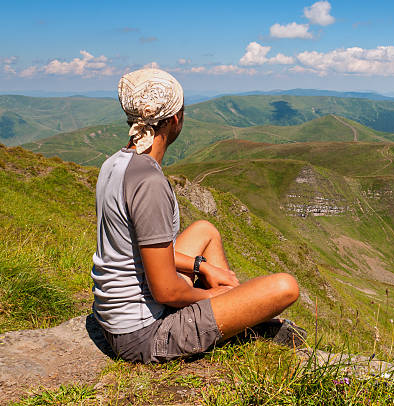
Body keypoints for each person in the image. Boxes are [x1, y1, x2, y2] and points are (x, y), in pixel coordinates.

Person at [91, 68, 302, 363]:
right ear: (175, 119)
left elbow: (134, 250)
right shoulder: (149, 182)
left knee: (204, 229)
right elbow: (165, 291)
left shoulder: (114, 163)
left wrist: (201, 266)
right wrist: (219, 297)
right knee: (285, 287)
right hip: (143, 334)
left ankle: (235, 318)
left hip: (115, 316)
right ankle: (242, 322)